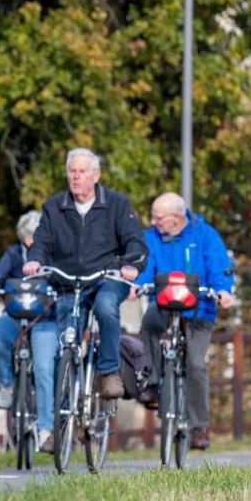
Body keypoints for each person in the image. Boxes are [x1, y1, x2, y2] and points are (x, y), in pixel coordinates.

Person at [23, 148, 148, 399]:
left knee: (105, 305)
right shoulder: (52, 207)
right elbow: (41, 242)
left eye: (82, 171)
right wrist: (35, 260)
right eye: (72, 171)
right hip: (69, 282)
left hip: (108, 278)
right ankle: (63, 423)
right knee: (66, 346)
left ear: (96, 175)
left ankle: (109, 371)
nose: (76, 177)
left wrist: (130, 265)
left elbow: (136, 242)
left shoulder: (117, 204)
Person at [131, 192, 234, 450]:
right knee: (150, 323)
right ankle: (153, 382)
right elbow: (145, 266)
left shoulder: (205, 234)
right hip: (165, 301)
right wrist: (137, 285)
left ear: (176, 217)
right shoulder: (152, 237)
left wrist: (222, 290)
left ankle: (199, 426)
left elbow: (219, 265)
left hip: (200, 307)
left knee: (196, 364)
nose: (153, 222)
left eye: (158, 217)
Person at [0, 210, 59, 452]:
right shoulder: (14, 253)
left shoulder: (55, 255)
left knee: (44, 369)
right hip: (15, 315)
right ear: (27, 240)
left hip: (45, 319)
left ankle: (46, 429)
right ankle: (6, 383)